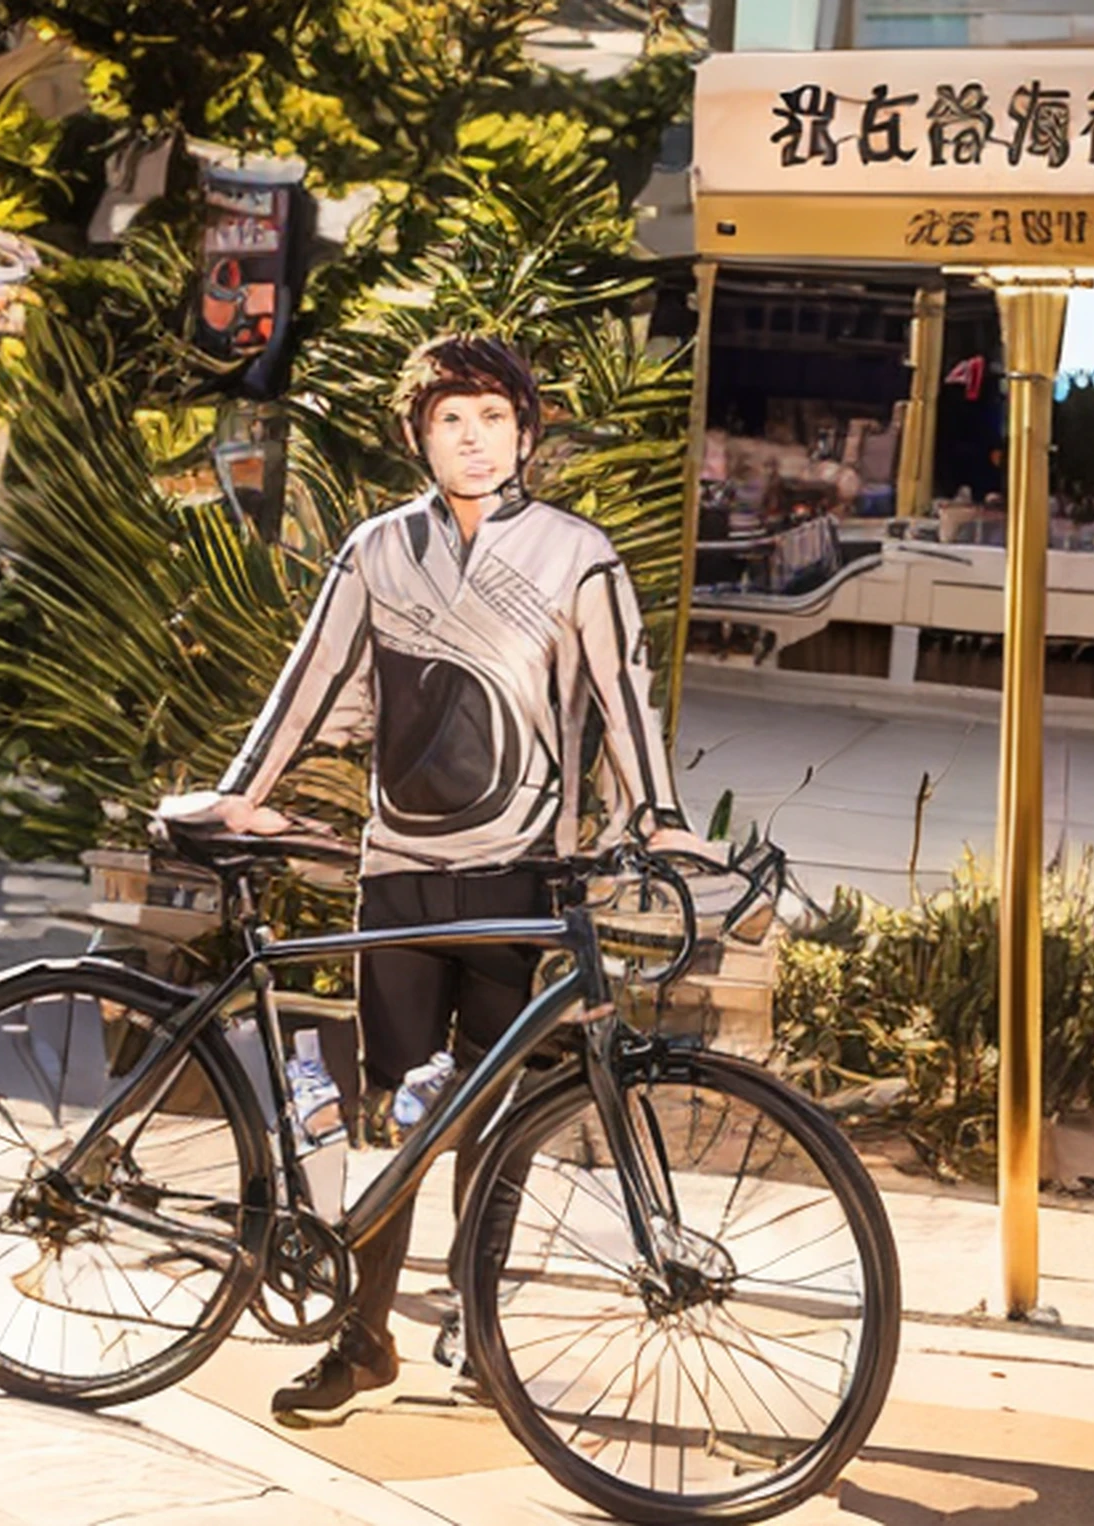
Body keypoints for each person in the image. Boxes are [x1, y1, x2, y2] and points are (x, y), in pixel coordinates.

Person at [158, 334, 711, 1413]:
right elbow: (309, 683)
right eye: (451, 417)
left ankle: (480, 1329)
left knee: (494, 1116)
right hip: (398, 873)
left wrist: (660, 818)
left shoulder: (576, 555)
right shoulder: (376, 549)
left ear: (526, 433)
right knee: (394, 1117)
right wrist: (242, 789)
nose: (473, 437)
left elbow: (623, 696)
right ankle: (364, 1338)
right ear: (419, 434)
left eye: (494, 417)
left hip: (523, 875)